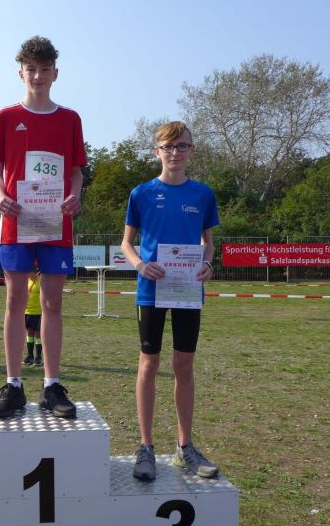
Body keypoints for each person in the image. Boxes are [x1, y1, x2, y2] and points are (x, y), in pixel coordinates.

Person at [0, 36, 86, 419]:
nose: (38, 76)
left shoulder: (70, 119)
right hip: (16, 221)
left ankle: (51, 385)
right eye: (31, 69)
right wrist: (0, 196)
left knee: (52, 304)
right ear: (21, 73)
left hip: (55, 223)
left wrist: (75, 195)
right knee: (15, 301)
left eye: (45, 70)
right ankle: (13, 384)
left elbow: (76, 172)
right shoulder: (5, 117)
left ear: (55, 74)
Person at [120, 121, 220, 482]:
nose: (175, 152)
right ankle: (145, 447)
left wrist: (208, 263)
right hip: (151, 291)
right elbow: (126, 243)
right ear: (157, 151)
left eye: (182, 146)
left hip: (188, 290)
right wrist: (139, 265)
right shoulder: (141, 193)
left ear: (192, 151)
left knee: (184, 367)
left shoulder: (203, 194)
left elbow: (208, 242)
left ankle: (184, 448)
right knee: (149, 364)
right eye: (169, 146)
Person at [23, 269, 43, 366]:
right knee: (29, 333)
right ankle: (30, 356)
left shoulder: (41, 282)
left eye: (28, 272)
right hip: (27, 312)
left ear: (32, 272)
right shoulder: (27, 281)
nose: (26, 274)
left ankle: (38, 357)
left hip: (38, 312)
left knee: (38, 334)